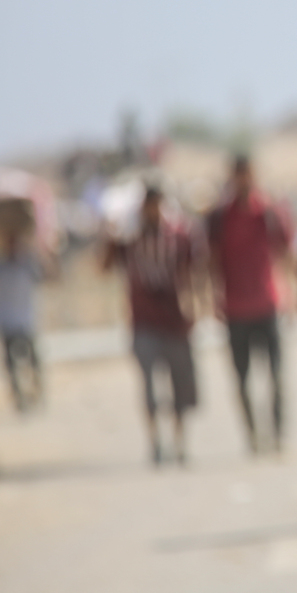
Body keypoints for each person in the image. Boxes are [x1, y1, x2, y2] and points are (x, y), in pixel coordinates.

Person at [102, 186, 199, 466]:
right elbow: (105, 266)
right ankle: (156, 441)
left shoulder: (179, 236)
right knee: (149, 386)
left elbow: (194, 270)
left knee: (180, 384)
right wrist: (109, 235)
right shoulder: (128, 237)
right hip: (144, 321)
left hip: (175, 320)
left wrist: (195, 305)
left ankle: (180, 442)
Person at [207, 155, 292, 454]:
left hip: (267, 305)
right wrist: (211, 297)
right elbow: (211, 260)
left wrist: (290, 293)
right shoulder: (219, 217)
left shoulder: (269, 212)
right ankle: (254, 436)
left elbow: (287, 252)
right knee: (242, 380)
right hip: (235, 310)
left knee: (277, 376)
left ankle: (278, 436)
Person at [0, 229, 48, 412]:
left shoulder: (28, 265)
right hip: (5, 321)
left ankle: (37, 391)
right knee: (10, 364)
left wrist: (39, 247)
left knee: (33, 361)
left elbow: (49, 273)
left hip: (26, 320)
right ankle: (19, 399)